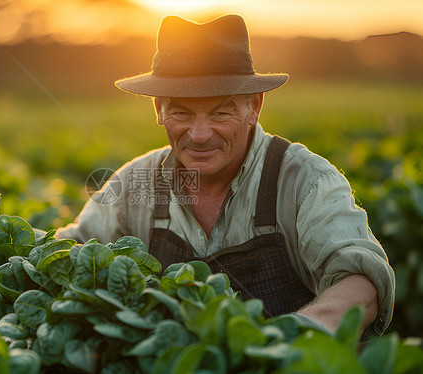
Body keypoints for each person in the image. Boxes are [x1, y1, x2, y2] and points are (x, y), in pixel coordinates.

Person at [55, 14, 394, 338]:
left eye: (221, 112)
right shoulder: (134, 182)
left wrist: (289, 339)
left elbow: (360, 279)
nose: (199, 134)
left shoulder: (305, 179)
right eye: (181, 112)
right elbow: (69, 251)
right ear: (158, 108)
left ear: (255, 106)